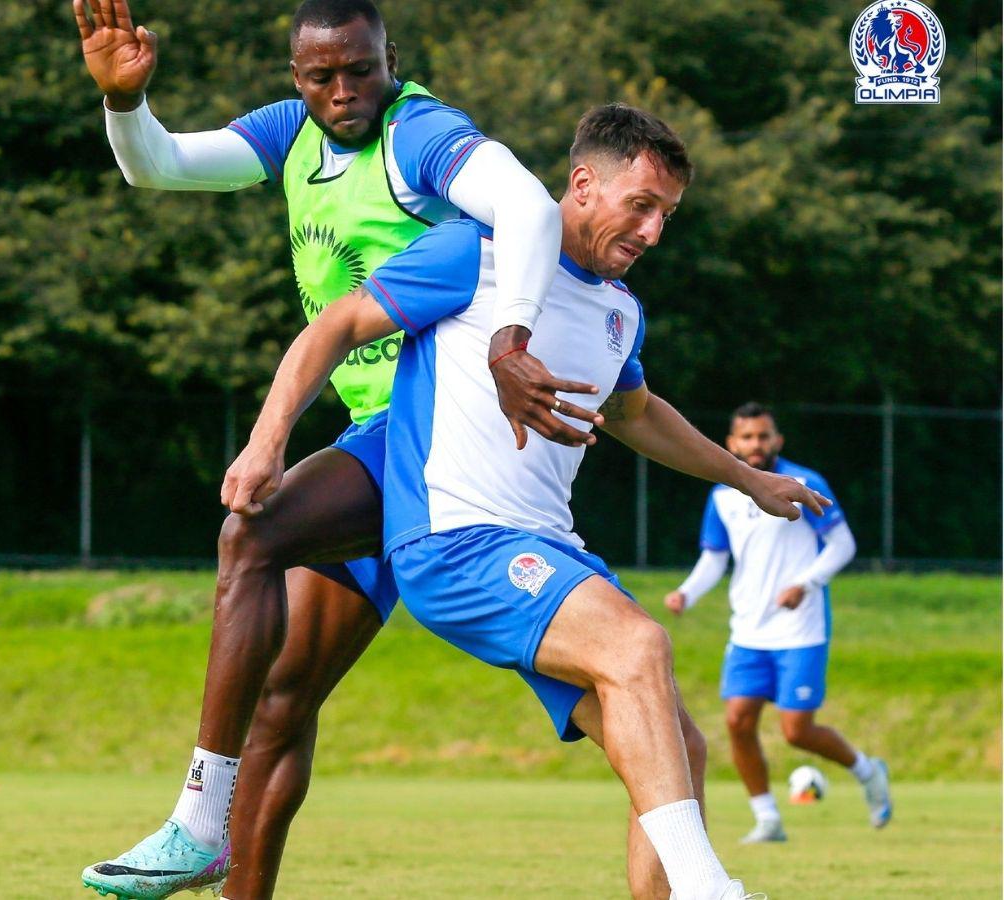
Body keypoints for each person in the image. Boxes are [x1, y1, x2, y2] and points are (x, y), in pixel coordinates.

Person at [222, 103, 830, 900]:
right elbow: (337, 323)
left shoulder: (621, 311)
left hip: (548, 551)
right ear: (582, 185)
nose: (652, 233)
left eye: (666, 216)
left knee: (677, 751)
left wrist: (749, 479)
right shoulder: (475, 251)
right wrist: (267, 442)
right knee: (640, 645)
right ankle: (711, 887)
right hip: (457, 541)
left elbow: (637, 415)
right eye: (640, 206)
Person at [73, 1, 600, 896]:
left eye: (361, 69)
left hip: (437, 428)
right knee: (281, 700)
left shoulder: (419, 134)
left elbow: (527, 208)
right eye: (322, 77)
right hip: (379, 439)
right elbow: (158, 169)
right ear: (295, 76)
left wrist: (511, 339)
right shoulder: (293, 136)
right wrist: (127, 105)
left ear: (389, 55)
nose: (345, 91)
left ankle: (198, 819)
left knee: (252, 534)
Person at [663, 403, 891, 843]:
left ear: (777, 440)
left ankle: (866, 771)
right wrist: (687, 592)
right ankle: (767, 818)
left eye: (763, 436)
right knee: (737, 721)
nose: (755, 444)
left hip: (800, 627)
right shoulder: (723, 495)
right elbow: (715, 558)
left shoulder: (804, 483)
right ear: (731, 443)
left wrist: (806, 583)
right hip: (748, 628)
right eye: (746, 437)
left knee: (796, 731)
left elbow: (842, 544)